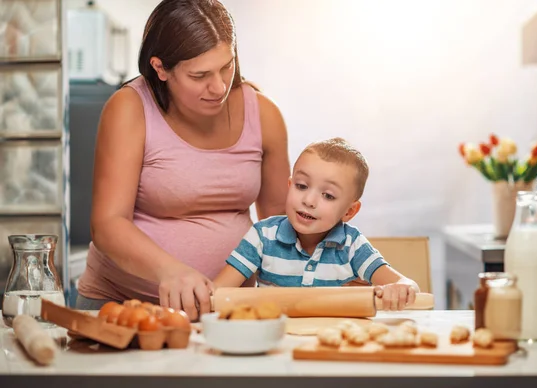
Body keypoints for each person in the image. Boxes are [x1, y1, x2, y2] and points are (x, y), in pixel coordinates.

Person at [75, 0, 290, 321]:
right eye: (200, 74)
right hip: (124, 308)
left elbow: (281, 228)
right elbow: (107, 224)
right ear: (160, 68)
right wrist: (171, 271)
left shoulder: (264, 114)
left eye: (226, 66)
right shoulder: (130, 108)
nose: (218, 87)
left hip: (229, 312)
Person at [214, 138, 420, 310]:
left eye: (328, 196)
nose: (309, 200)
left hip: (332, 343)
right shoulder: (262, 236)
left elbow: (407, 284)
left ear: (349, 211)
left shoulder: (352, 245)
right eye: (301, 186)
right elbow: (218, 292)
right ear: (289, 185)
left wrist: (400, 289)